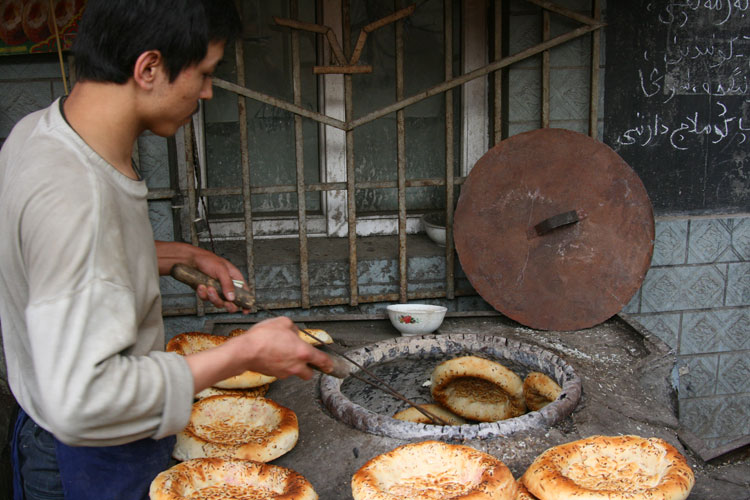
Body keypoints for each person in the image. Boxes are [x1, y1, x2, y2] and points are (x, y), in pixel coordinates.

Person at [0, 1, 334, 499]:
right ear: (149, 67)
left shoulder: (40, 132)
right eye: (203, 73)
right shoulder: (75, 195)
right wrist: (241, 353)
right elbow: (82, 400)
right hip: (87, 459)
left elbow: (54, 260)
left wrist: (170, 255)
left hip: (57, 433)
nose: (206, 91)